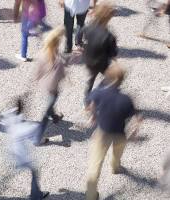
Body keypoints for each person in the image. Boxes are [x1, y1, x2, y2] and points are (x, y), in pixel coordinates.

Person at [85, 64, 142, 200]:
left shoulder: (97, 93)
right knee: (117, 155)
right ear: (121, 80)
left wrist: (93, 116)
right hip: (119, 135)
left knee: (95, 165)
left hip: (102, 133)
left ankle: (91, 196)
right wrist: (133, 134)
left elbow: (89, 106)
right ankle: (115, 168)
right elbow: (138, 119)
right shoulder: (126, 99)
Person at [0, 98, 49, 200]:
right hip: (20, 156)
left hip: (9, 152)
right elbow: (37, 138)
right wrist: (47, 119)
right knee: (33, 171)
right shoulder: (25, 127)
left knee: (7, 175)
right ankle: (36, 196)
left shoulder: (10, 116)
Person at [35, 26, 82, 144]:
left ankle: (55, 116)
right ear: (57, 44)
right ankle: (37, 139)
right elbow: (61, 72)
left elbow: (38, 72)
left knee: (50, 104)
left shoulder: (43, 54)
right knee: (45, 115)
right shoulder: (57, 59)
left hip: (44, 86)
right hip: (53, 88)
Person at [81, 2, 118, 95]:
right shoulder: (109, 36)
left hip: (88, 60)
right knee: (113, 78)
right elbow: (113, 54)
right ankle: (100, 94)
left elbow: (78, 35)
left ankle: (87, 99)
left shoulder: (88, 27)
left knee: (91, 78)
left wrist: (81, 45)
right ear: (109, 18)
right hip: (102, 63)